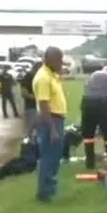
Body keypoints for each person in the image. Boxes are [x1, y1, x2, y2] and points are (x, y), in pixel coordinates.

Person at [0, 126, 81, 191]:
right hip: (32, 146)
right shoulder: (66, 137)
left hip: (29, 144)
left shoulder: (64, 130)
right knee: (24, 167)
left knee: (14, 165)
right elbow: (65, 157)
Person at [32, 46, 69, 202]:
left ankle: (49, 189)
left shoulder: (51, 74)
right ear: (50, 59)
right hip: (50, 120)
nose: (61, 63)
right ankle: (45, 193)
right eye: (59, 60)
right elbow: (44, 105)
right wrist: (53, 130)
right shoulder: (43, 78)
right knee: (49, 157)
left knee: (54, 156)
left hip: (56, 119)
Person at [20, 61, 41, 135]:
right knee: (31, 132)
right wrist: (38, 98)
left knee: (39, 133)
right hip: (31, 108)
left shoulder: (40, 78)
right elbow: (24, 93)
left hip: (40, 108)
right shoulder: (29, 77)